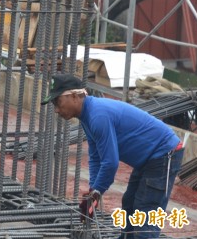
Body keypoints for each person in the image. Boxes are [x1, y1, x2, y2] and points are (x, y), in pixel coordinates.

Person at [42, 74, 184, 238]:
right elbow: (96, 157)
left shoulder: (97, 116)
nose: (56, 109)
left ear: (74, 96)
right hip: (149, 158)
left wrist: (97, 192)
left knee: (145, 209)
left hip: (164, 153)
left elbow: (110, 163)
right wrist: (93, 191)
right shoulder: (87, 117)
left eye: (57, 102)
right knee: (129, 203)